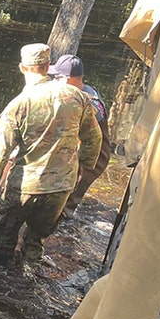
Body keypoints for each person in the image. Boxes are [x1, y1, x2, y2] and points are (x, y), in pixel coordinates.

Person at [0, 43, 101, 265]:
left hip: (24, 187)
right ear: (48, 66)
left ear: (22, 68)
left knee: (1, 245)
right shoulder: (77, 97)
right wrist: (82, 168)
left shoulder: (19, 104)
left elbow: (0, 151)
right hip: (60, 188)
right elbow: (93, 139)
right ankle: (28, 277)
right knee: (36, 241)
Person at [49, 54, 110, 219]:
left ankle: (62, 222)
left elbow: (91, 140)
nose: (53, 81)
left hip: (92, 158)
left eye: (56, 77)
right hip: (82, 153)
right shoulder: (82, 91)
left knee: (64, 203)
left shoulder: (89, 101)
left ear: (66, 79)